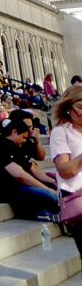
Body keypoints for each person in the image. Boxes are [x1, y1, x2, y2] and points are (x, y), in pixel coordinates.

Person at [0, 116, 59, 220]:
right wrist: (46, 189)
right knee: (50, 195)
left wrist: (52, 182)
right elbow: (19, 175)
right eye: (24, 137)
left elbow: (31, 167)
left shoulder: (13, 145)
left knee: (57, 189)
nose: (25, 141)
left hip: (14, 185)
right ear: (14, 132)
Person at [50, 85, 82, 254]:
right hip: (77, 197)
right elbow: (65, 170)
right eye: (81, 107)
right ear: (68, 108)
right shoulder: (60, 133)